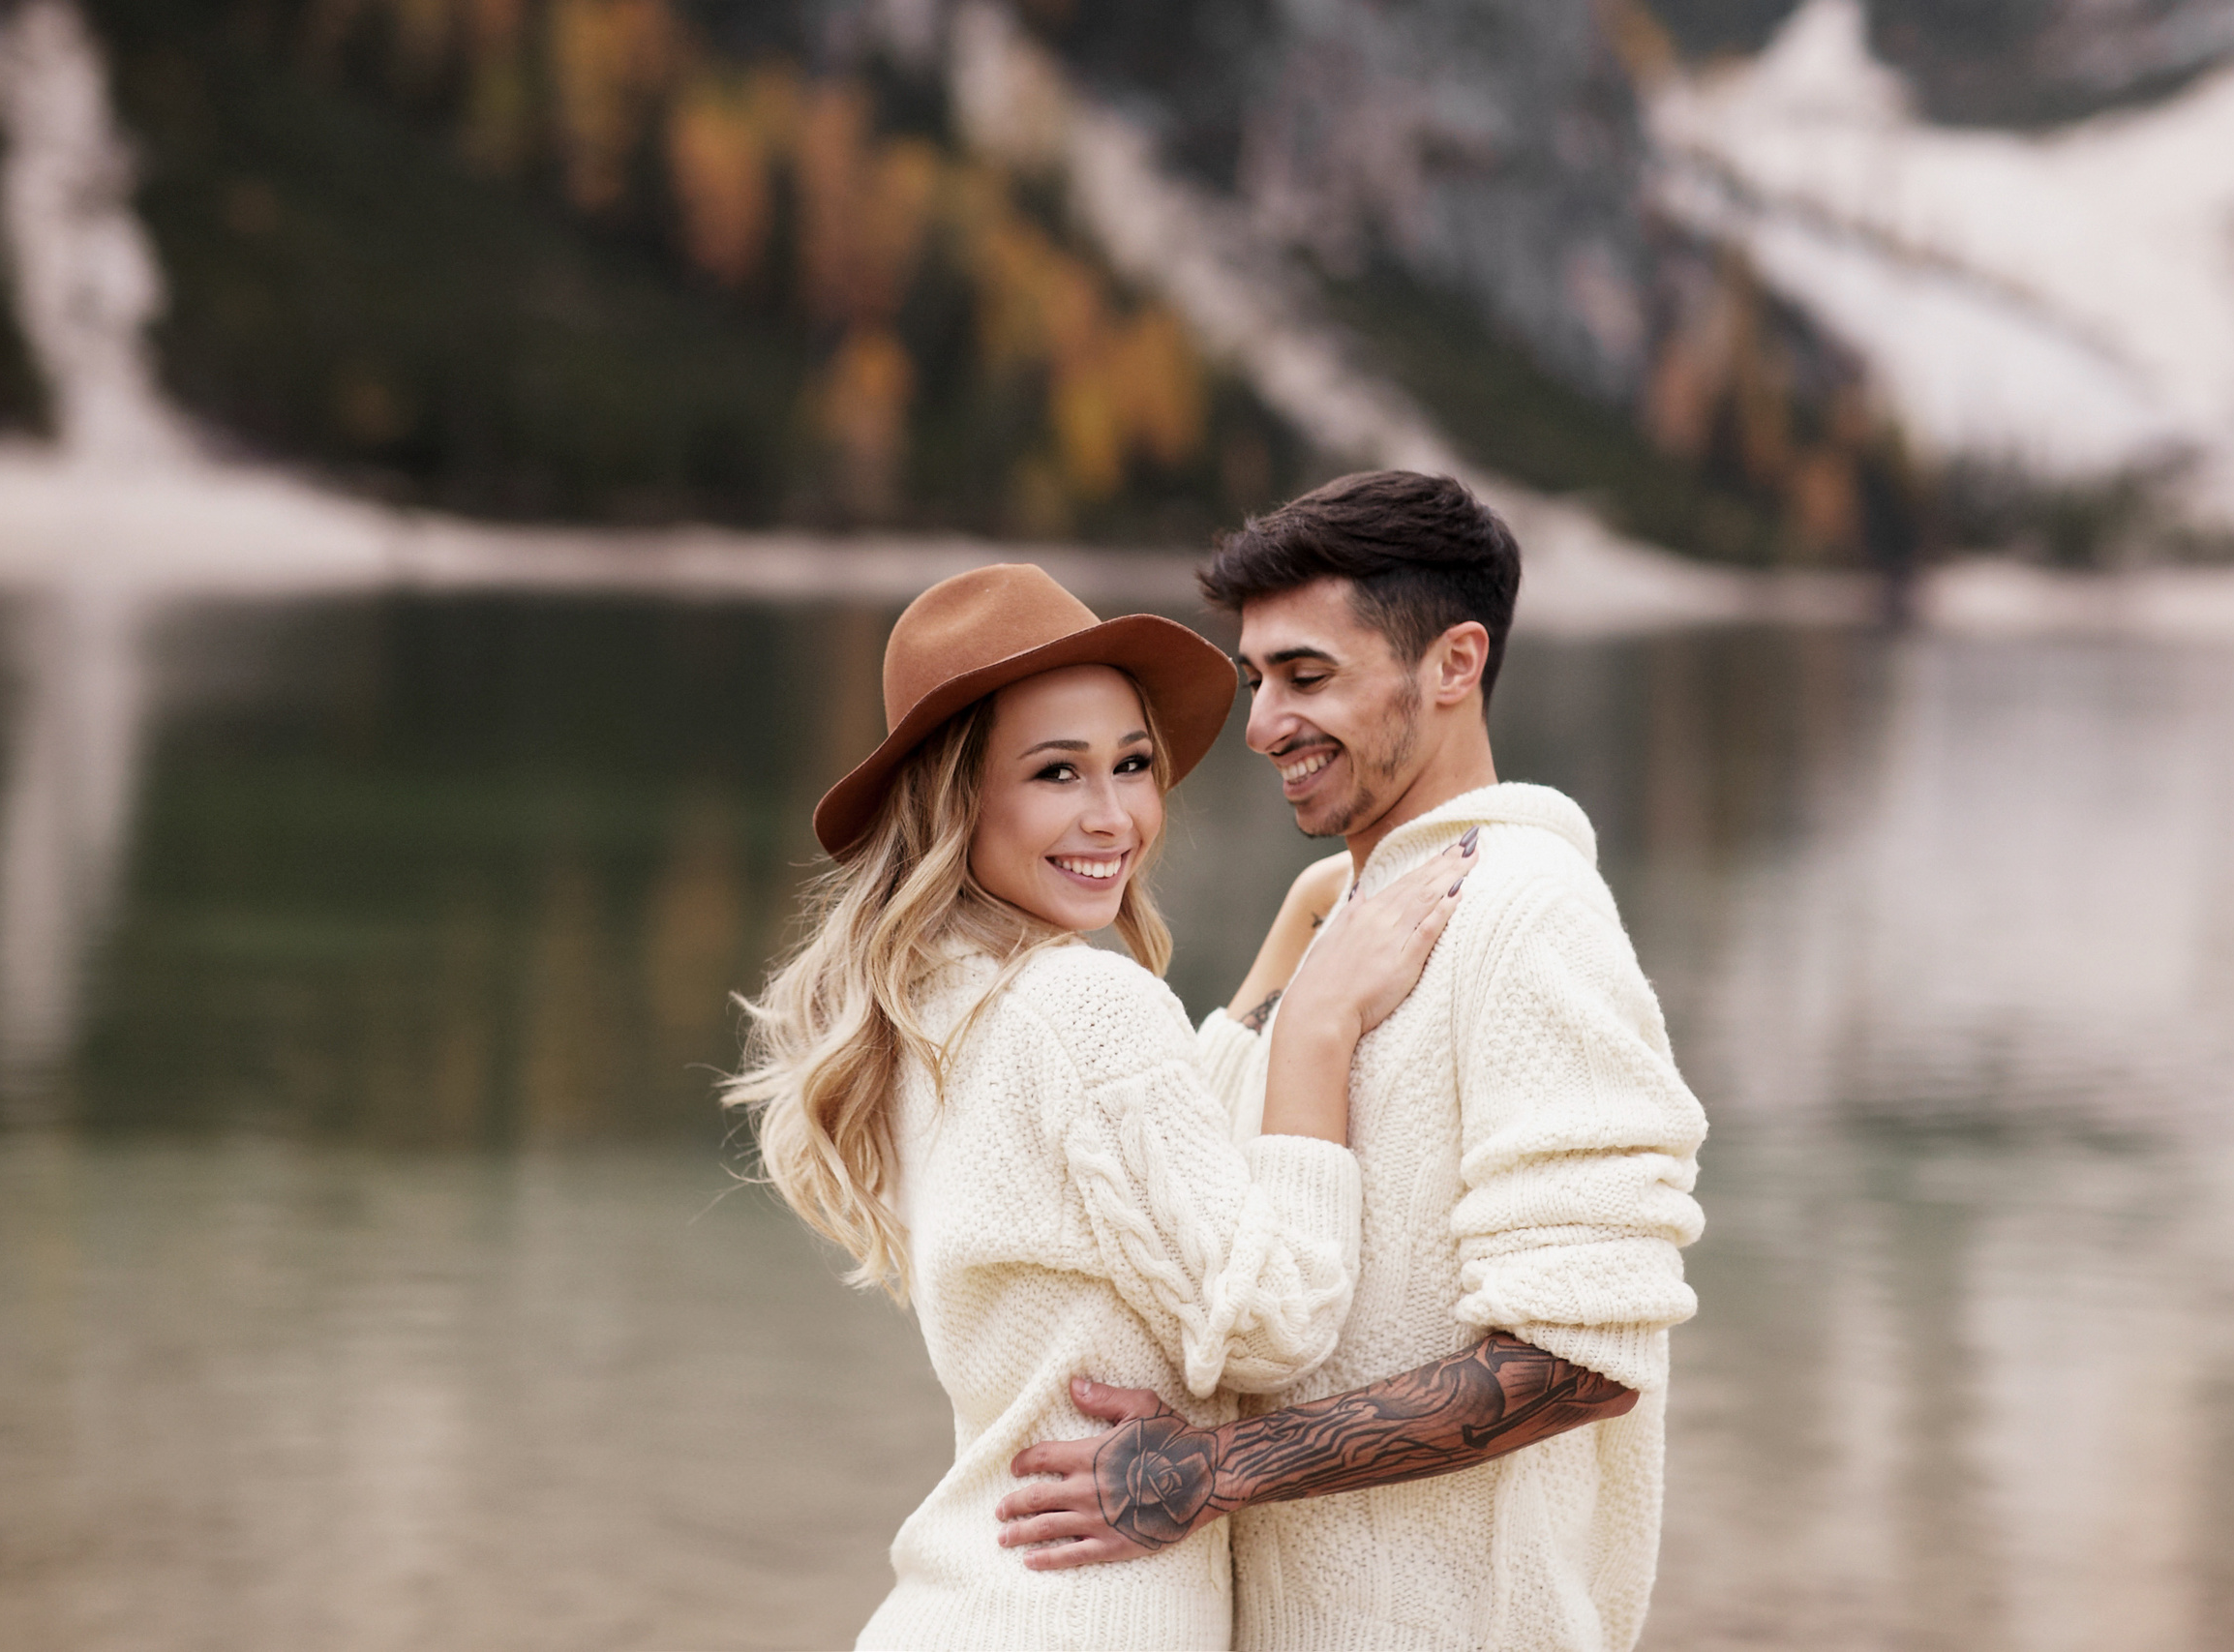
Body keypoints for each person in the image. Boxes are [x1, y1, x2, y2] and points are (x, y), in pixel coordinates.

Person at [993, 472, 1709, 1651]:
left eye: (1307, 676)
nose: (1264, 723)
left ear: (1454, 663)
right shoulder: (1352, 914)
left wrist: (1212, 1469)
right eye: (1256, 679)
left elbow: (1581, 1358)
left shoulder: (1529, 915)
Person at [723, 562, 1476, 1650]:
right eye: (1055, 773)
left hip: (965, 1603)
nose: (1112, 814)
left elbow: (1156, 1170)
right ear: (956, 797)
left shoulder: (924, 1012)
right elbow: (1272, 1320)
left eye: (1131, 764)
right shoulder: (1085, 1008)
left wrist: (1300, 932)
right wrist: (1317, 1031)